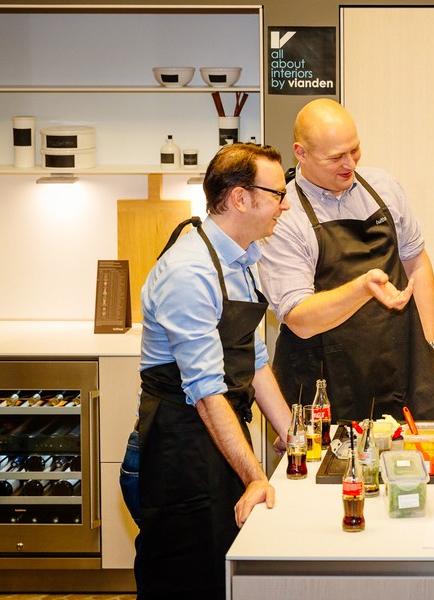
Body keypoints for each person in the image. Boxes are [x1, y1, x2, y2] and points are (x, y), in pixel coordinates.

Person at [132, 143, 294, 599]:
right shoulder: (189, 271)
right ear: (241, 198)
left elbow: (253, 359)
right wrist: (256, 476)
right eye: (278, 194)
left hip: (218, 440)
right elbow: (205, 393)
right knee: (187, 579)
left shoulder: (242, 261)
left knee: (223, 575)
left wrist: (294, 436)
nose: (284, 206)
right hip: (177, 450)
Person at [259, 99, 434, 423]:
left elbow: (416, 263)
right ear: (301, 153)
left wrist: (433, 347)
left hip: (405, 369)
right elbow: (299, 319)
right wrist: (362, 288)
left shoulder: (383, 187)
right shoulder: (285, 215)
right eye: (336, 157)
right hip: (330, 382)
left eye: (355, 150)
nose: (349, 163)